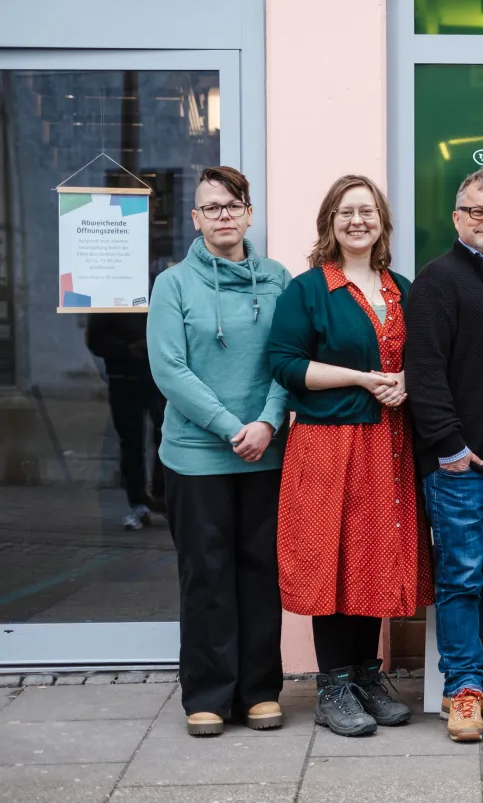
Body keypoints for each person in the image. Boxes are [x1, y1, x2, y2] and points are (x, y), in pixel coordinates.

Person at [268, 174, 430, 737]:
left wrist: (407, 378)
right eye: (345, 213)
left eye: (367, 212)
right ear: (329, 224)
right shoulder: (309, 289)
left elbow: (426, 356)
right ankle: (332, 687)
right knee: (332, 561)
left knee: (372, 559)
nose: (357, 221)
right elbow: (286, 364)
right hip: (329, 444)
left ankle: (363, 676)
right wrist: (366, 378)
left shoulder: (403, 288)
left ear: (383, 222)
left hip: (389, 442)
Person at [147, 166, 290, 737]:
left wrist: (269, 422)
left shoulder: (278, 279)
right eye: (212, 207)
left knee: (260, 573)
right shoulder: (173, 284)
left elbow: (287, 356)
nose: (224, 215)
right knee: (206, 574)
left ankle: (258, 691)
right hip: (197, 455)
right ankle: (207, 694)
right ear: (196, 219)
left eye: (233, 205)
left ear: (249, 213)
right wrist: (235, 426)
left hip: (267, 452)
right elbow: (169, 369)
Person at [405, 168, 483, 743]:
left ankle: (472, 684)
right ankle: (461, 692)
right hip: (460, 465)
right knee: (458, 578)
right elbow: (424, 371)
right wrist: (450, 447)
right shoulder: (437, 281)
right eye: (478, 211)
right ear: (457, 218)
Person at [86, 312, 166, 529]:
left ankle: (162, 495)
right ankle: (140, 503)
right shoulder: (111, 297)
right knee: (131, 443)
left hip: (160, 377)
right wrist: (127, 349)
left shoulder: (160, 285)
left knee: (166, 435)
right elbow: (95, 340)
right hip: (125, 378)